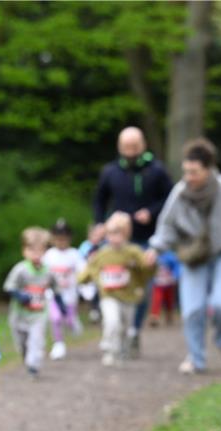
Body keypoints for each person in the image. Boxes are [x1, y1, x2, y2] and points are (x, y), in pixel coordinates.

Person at [146, 138, 221, 374]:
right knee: (192, 309)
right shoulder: (180, 192)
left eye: (194, 172)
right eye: (186, 171)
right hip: (193, 256)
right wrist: (155, 249)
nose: (189, 177)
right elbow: (167, 225)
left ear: (209, 169)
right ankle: (196, 358)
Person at [92, 126, 174, 355]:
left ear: (142, 145)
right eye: (126, 147)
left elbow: (170, 199)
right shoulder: (110, 171)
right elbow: (99, 200)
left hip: (146, 239)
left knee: (140, 288)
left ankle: (134, 330)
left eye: (134, 146)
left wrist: (151, 211)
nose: (130, 151)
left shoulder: (156, 170)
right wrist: (100, 223)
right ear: (120, 147)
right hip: (116, 240)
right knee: (111, 282)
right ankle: (113, 327)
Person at [78, 212, 155, 366]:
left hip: (129, 296)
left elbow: (146, 269)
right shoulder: (102, 253)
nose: (115, 238)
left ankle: (122, 350)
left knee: (126, 328)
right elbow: (89, 270)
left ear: (126, 234)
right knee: (112, 322)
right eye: (111, 234)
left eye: (119, 234)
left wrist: (150, 263)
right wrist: (79, 280)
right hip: (109, 295)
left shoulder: (133, 251)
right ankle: (109, 350)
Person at [3, 227, 65, 376]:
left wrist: (61, 305)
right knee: (22, 344)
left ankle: (33, 365)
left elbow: (56, 289)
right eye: (32, 250)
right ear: (24, 251)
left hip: (38, 314)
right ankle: (27, 358)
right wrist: (20, 295)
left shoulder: (48, 271)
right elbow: (9, 287)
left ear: (45, 252)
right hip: (19, 315)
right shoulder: (21, 269)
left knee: (36, 341)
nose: (36, 255)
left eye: (40, 251)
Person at [42, 218, 84, 360]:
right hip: (53, 294)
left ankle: (73, 323)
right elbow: (43, 272)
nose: (61, 242)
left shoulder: (74, 254)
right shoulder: (49, 255)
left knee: (68, 318)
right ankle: (58, 343)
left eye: (64, 239)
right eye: (58, 239)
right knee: (55, 318)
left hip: (70, 295)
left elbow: (82, 271)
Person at [148, 250, 180, 327]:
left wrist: (175, 276)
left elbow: (177, 267)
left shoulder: (170, 256)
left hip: (169, 283)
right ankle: (154, 317)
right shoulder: (152, 255)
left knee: (169, 301)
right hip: (158, 283)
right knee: (157, 300)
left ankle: (169, 315)